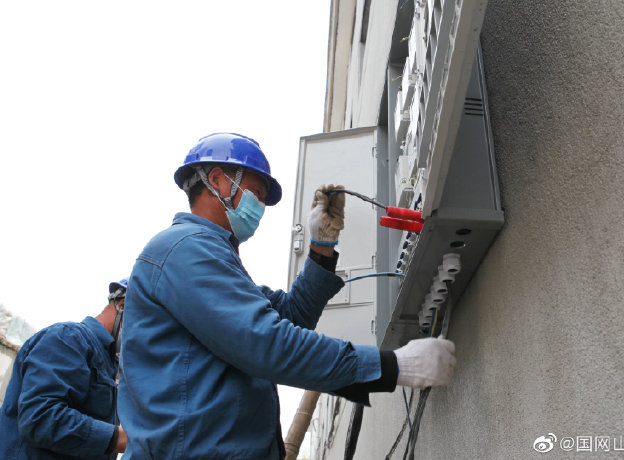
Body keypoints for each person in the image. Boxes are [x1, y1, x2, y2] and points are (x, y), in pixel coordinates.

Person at [118, 132, 456, 459]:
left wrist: (321, 248)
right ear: (218, 180)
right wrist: (394, 366)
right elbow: (267, 342)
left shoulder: (212, 261)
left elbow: (290, 316)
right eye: (256, 193)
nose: (259, 207)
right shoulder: (184, 250)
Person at [0, 279, 129, 459]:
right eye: (146, 327)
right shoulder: (69, 339)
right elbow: (39, 417)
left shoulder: (110, 364)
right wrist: (120, 438)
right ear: (122, 306)